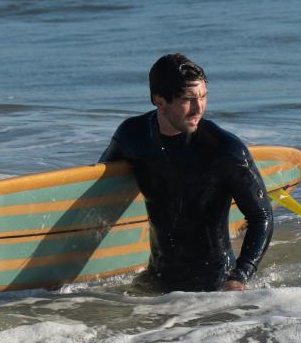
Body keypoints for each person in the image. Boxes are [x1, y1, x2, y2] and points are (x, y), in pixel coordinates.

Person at [99, 53, 273, 292]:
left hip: (212, 286)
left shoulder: (224, 150)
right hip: (156, 279)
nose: (198, 108)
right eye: (188, 99)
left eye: (203, 97)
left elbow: (261, 217)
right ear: (159, 101)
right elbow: (100, 189)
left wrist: (240, 276)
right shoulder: (133, 136)